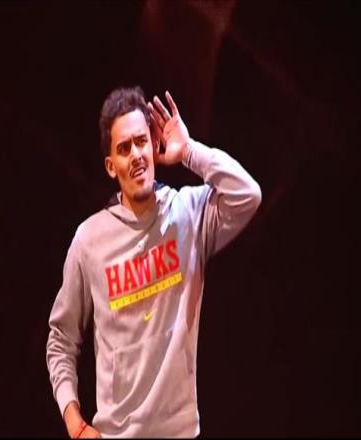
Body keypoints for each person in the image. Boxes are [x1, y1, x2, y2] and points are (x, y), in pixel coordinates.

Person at [46, 86, 262, 438]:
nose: (135, 155)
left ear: (153, 146)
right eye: (124, 148)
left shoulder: (188, 214)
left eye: (141, 142)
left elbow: (248, 195)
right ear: (111, 166)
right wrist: (75, 423)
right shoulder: (89, 241)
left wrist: (188, 151)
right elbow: (61, 339)